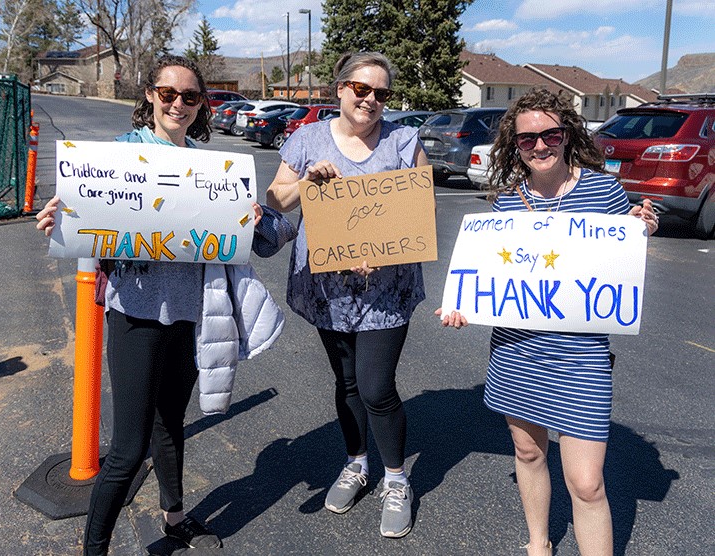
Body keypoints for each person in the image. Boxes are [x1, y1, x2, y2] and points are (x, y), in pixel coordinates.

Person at [36, 55, 289, 555]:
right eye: (168, 93)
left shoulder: (211, 167)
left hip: (190, 316)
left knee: (170, 426)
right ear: (149, 95)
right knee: (128, 449)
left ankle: (175, 518)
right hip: (135, 314)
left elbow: (254, 240)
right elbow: (89, 212)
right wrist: (63, 213)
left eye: (189, 97)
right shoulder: (119, 158)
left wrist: (254, 216)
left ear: (201, 105)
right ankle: (96, 547)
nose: (178, 103)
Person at [438, 88, 658, 555]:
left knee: (587, 483)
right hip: (516, 352)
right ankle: (539, 544)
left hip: (581, 357)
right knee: (529, 453)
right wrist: (462, 305)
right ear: (513, 145)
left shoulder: (603, 189)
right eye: (526, 139)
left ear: (567, 134)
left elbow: (622, 260)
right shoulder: (505, 206)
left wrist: (641, 228)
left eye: (550, 134)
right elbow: (488, 280)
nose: (539, 146)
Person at [266, 51, 428, 538]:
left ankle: (397, 480)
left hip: (386, 288)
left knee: (377, 387)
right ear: (340, 89)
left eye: (382, 93)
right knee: (347, 384)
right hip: (327, 288)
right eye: (362, 89)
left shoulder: (403, 140)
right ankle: (356, 463)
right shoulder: (308, 138)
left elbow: (420, 210)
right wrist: (304, 181)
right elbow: (275, 201)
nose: (371, 100)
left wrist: (386, 251)